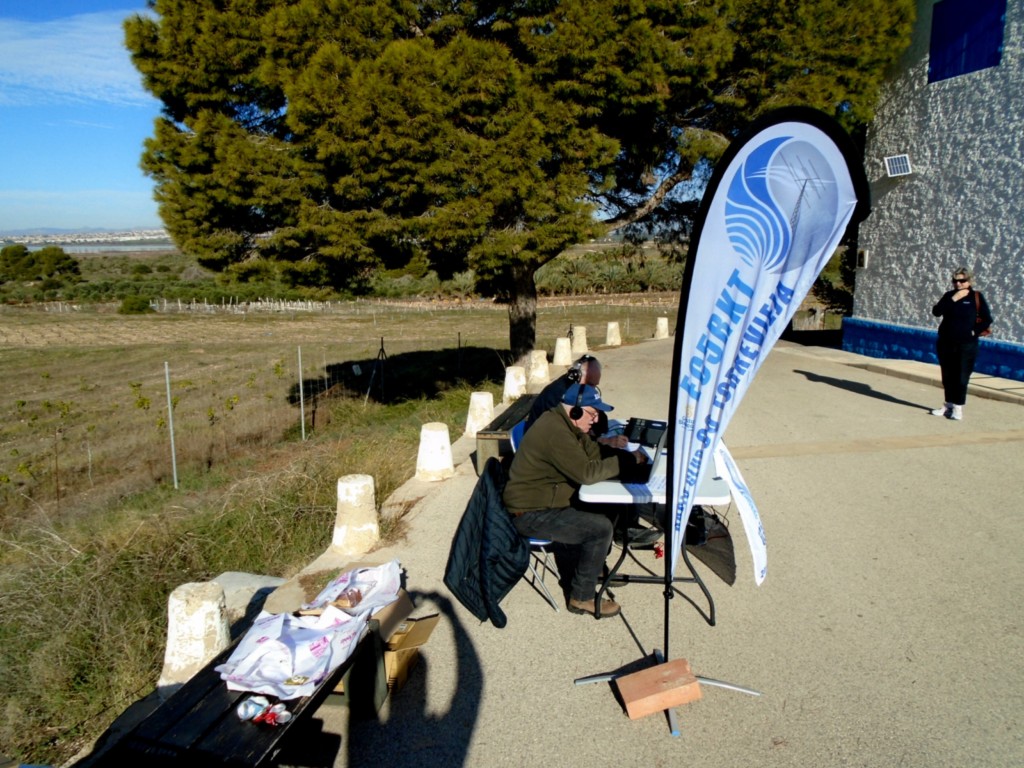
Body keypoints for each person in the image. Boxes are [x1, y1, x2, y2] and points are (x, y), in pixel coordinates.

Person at [503, 383, 648, 617]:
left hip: (549, 499)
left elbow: (594, 454)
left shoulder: (567, 425)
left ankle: (594, 567)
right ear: (576, 411)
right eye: (593, 413)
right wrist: (627, 462)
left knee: (611, 506)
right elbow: (586, 473)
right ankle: (581, 598)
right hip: (530, 513)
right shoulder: (555, 432)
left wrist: (631, 458)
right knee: (599, 529)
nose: (596, 419)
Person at [524, 354, 628, 449]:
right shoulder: (558, 397)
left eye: (595, 385)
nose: (592, 390)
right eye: (590, 384)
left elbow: (601, 422)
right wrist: (603, 441)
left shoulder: (576, 390)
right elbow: (568, 438)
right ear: (576, 376)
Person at [930, 266, 992, 420]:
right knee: (948, 375)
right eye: (955, 281)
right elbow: (937, 311)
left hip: (966, 344)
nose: (958, 284)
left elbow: (987, 319)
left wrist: (973, 332)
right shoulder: (949, 296)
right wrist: (954, 299)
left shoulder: (976, 297)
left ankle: (958, 407)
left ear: (969, 281)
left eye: (962, 281)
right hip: (946, 342)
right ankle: (948, 404)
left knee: (962, 376)